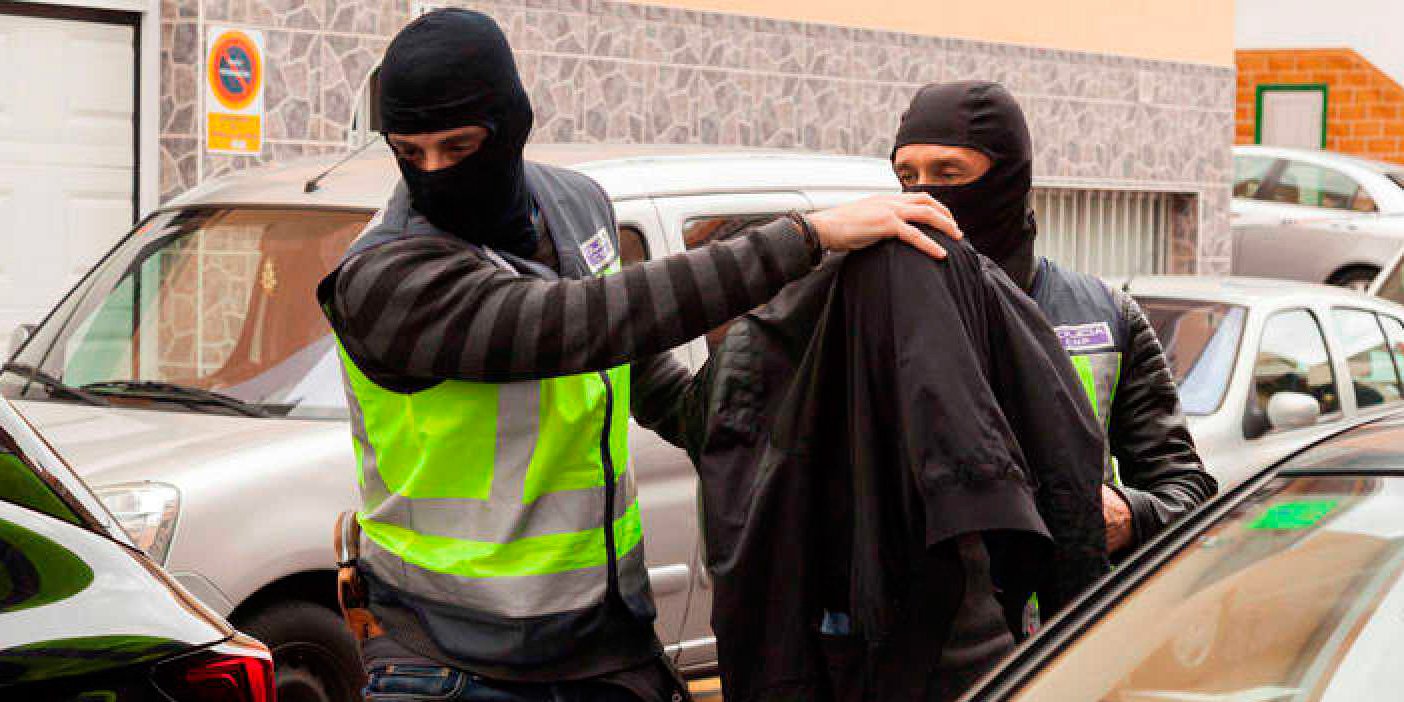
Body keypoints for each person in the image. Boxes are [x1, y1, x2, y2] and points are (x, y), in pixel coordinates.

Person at [316, 9, 961, 702]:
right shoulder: (384, 277)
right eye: (409, 153)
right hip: (452, 659)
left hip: (605, 641)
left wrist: (776, 419)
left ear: (512, 125)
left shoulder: (577, 206)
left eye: (458, 146)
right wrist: (805, 237)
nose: (435, 172)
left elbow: (632, 362)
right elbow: (577, 324)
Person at [890, 81, 1218, 562]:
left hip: (1070, 606)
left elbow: (1186, 490)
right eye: (907, 176)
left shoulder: (1106, 315)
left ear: (1007, 178)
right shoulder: (876, 310)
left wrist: (1129, 515)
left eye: (948, 173)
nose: (923, 196)